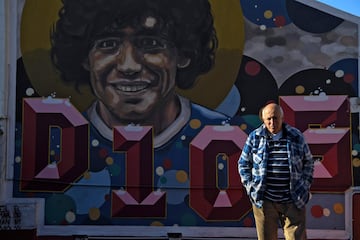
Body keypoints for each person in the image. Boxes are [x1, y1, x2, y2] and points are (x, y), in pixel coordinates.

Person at [44, 0, 232, 225]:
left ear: (183, 53)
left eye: (151, 43)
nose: (129, 66)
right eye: (108, 44)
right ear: (85, 57)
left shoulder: (233, 142)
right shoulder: (48, 149)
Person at [238, 102, 315, 240]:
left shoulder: (296, 136)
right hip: (264, 200)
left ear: (282, 118)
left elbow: (308, 162)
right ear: (263, 119)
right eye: (268, 119)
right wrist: (250, 187)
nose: (272, 122)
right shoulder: (254, 137)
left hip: (293, 199)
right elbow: (243, 163)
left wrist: (304, 186)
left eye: (275, 118)